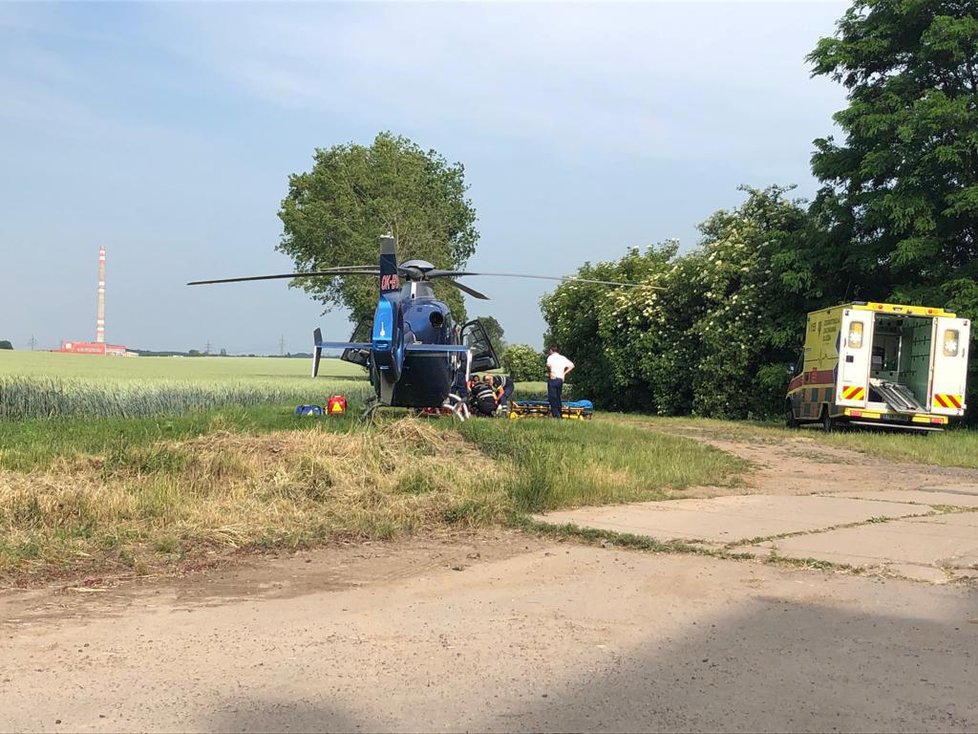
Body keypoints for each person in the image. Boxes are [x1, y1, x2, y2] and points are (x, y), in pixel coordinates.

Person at [545, 346, 574, 418]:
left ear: (551, 350)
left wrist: (550, 372)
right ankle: (559, 414)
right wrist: (564, 373)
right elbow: (572, 365)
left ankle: (556, 415)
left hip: (553, 378)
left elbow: (548, 365)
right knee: (558, 397)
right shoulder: (562, 358)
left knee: (552, 397)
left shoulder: (550, 357)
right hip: (560, 379)